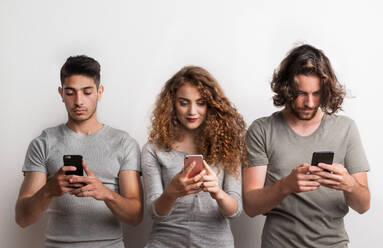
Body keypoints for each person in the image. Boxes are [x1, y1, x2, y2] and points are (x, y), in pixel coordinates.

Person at [243, 44, 370, 248]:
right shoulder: (262, 129)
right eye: (301, 93)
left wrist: (348, 184)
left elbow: (363, 205)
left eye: (317, 93)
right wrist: (286, 185)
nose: (310, 103)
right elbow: (250, 206)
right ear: (286, 88)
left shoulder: (346, 128)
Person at [15, 55, 143, 248]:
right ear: (61, 93)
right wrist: (49, 190)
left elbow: (135, 217)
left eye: (87, 92)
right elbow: (22, 218)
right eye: (70, 92)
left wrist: (105, 193)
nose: (78, 101)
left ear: (99, 92)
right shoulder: (43, 143)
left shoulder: (124, 143)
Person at [141, 66, 246, 247]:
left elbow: (235, 211)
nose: (192, 112)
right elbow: (154, 212)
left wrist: (218, 193)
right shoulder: (154, 149)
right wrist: (172, 192)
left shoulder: (227, 146)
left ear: (211, 105)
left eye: (200, 102)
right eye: (184, 103)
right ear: (172, 104)